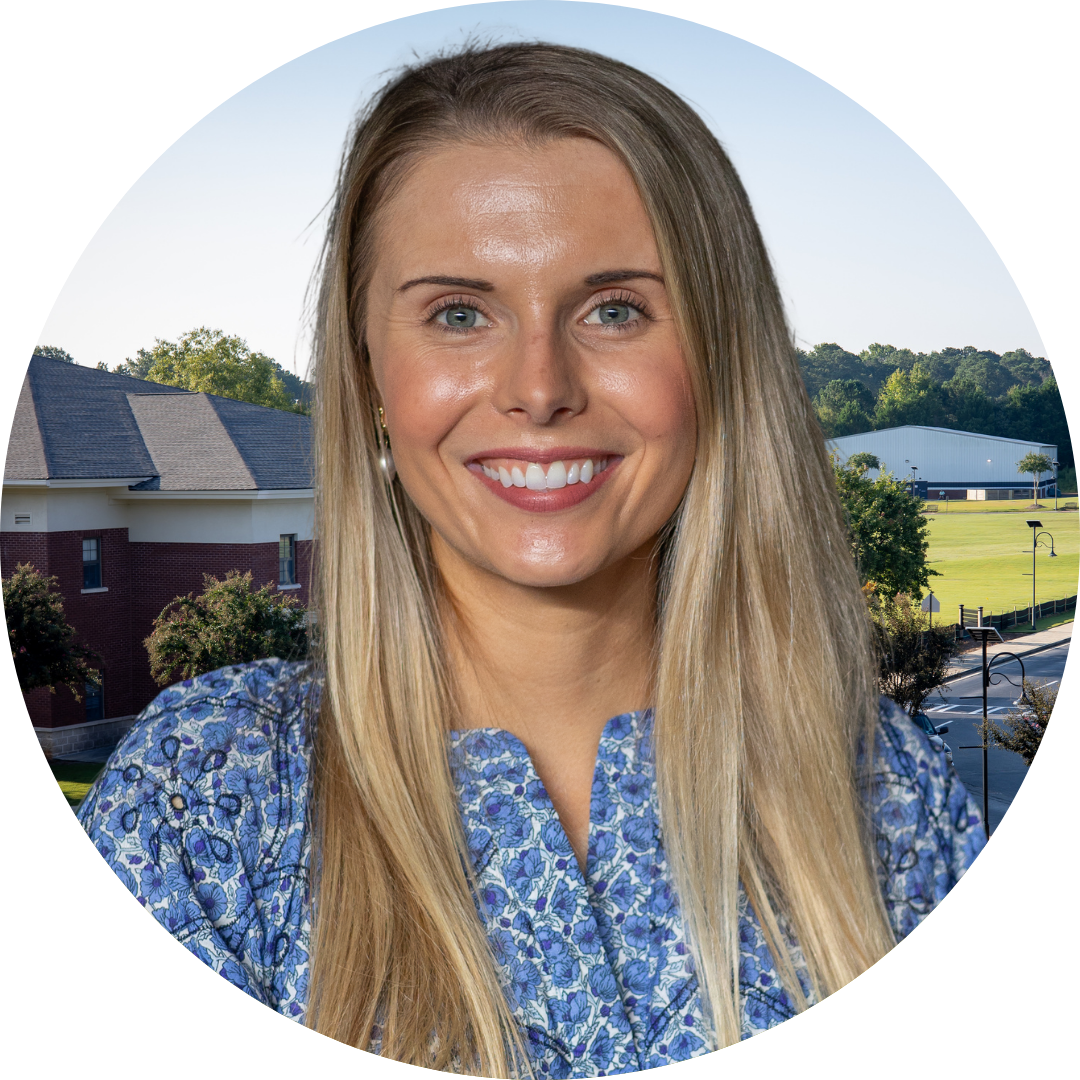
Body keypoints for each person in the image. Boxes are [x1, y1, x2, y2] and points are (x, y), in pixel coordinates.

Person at [76, 42, 986, 1075]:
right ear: (370, 373)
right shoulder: (209, 803)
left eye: (616, 310)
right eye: (459, 314)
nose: (539, 385)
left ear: (723, 362)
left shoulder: (884, 796)